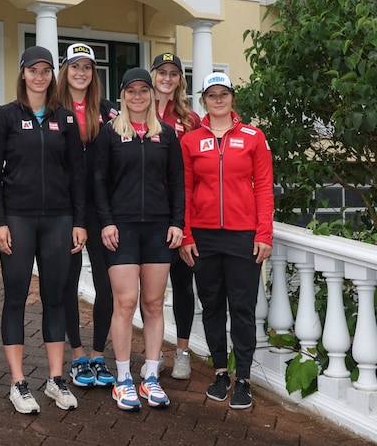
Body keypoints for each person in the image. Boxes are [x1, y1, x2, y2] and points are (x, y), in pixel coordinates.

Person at [0, 45, 86, 414]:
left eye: (46, 70)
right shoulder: (4, 118)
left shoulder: (67, 119)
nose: (40, 76)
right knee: (15, 297)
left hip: (59, 220)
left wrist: (79, 222)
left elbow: (78, 175)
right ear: (23, 73)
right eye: (33, 70)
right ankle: (17, 382)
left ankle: (56, 379)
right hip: (19, 219)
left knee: (56, 297)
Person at [179, 72, 274, 410]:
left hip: (243, 236)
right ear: (203, 100)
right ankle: (221, 371)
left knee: (243, 308)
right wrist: (186, 234)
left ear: (233, 98)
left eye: (224, 94)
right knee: (213, 304)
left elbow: (263, 187)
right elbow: (185, 191)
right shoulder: (190, 141)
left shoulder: (253, 137)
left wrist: (264, 233)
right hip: (203, 236)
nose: (218, 100)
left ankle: (243, 378)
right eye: (211, 95)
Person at [94, 67, 184, 411]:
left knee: (153, 304)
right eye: (131, 91)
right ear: (123, 95)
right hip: (123, 228)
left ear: (151, 95)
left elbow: (177, 182)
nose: (137, 96)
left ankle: (149, 377)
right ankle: (122, 379)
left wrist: (177, 222)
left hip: (158, 230)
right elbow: (99, 182)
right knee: (126, 302)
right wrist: (106, 222)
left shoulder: (167, 135)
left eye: (143, 91)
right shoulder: (110, 134)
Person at [55, 43, 118, 389]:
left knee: (106, 284)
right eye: (75, 66)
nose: (81, 72)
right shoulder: (52, 109)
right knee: (69, 282)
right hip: (65, 210)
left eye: (88, 67)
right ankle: (77, 356)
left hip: (100, 208)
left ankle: (97, 355)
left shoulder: (107, 111)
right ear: (65, 71)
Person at [150, 53, 201, 381]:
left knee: (182, 283)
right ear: (153, 75)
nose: (167, 78)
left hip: (181, 212)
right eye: (162, 72)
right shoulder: (135, 111)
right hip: (149, 211)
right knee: (150, 290)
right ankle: (152, 356)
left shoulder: (191, 119)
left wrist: (187, 223)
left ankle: (182, 351)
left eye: (174, 73)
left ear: (180, 79)